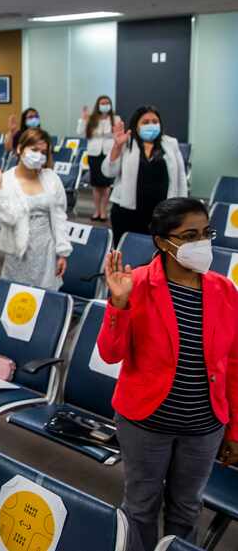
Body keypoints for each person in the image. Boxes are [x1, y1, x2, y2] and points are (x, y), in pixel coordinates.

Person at [98, 197, 238, 551]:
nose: (202, 243)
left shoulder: (224, 290)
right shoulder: (136, 284)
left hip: (204, 427)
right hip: (146, 421)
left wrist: (234, 429)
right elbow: (110, 354)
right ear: (162, 242)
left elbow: (234, 364)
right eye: (190, 235)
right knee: (141, 507)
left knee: (187, 508)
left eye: (206, 233)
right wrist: (118, 305)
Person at [0, 129, 71, 290]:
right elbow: (7, 218)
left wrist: (63, 253)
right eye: (34, 150)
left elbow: (60, 218)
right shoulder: (5, 180)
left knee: (45, 296)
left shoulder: (51, 178)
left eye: (43, 152)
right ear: (19, 149)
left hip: (46, 249)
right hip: (18, 251)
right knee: (17, 298)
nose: (38, 155)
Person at [102, 105, 187, 247]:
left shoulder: (170, 143)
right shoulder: (126, 142)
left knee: (157, 253)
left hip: (162, 213)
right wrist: (117, 146)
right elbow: (108, 172)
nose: (151, 125)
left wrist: (181, 207)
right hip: (127, 211)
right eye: (145, 122)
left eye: (155, 121)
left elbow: (181, 178)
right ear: (136, 125)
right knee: (127, 251)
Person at [77, 96, 122, 222]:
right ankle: (96, 211)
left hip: (108, 153)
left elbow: (117, 135)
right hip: (94, 153)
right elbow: (81, 132)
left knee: (106, 185)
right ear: (98, 105)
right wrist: (83, 119)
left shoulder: (116, 118)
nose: (105, 105)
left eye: (107, 103)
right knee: (96, 185)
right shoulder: (92, 118)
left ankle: (103, 211)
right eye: (102, 103)